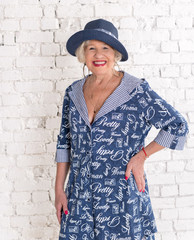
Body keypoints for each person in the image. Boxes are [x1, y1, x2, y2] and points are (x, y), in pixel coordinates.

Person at [54, 19, 189, 240]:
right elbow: (64, 143)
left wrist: (142, 156)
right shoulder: (73, 93)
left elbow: (177, 126)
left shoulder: (136, 91)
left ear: (115, 53)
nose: (99, 55)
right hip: (80, 198)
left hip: (121, 197)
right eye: (92, 48)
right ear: (83, 54)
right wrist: (59, 189)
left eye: (105, 48)